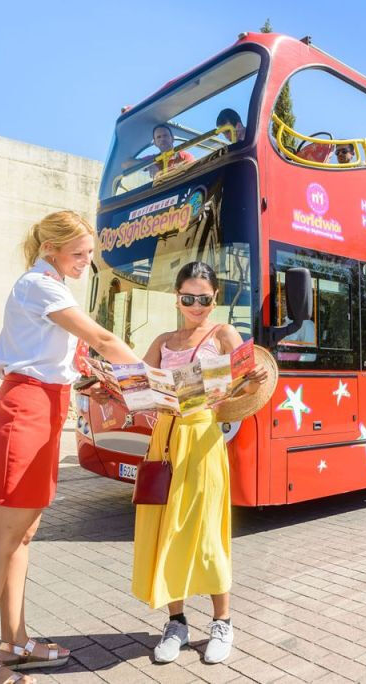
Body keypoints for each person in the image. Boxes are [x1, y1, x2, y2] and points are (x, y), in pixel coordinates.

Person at [0, 211, 142, 684]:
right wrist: (154, 383)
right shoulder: (39, 285)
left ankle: (14, 642)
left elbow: (60, 361)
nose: (86, 262)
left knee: (23, 535)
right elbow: (101, 338)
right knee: (1, 540)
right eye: (79, 253)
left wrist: (95, 385)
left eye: (89, 253)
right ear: (50, 251)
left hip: (44, 408)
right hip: (24, 410)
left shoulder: (51, 287)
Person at [132, 261, 268, 665]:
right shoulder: (161, 340)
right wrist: (112, 387)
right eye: (188, 297)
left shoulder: (223, 333)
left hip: (204, 439)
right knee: (167, 530)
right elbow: (138, 387)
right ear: (177, 298)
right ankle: (176, 623)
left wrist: (251, 381)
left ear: (215, 299)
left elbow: (241, 387)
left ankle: (223, 621)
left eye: (203, 299)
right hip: (166, 439)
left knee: (207, 532)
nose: (196, 305)